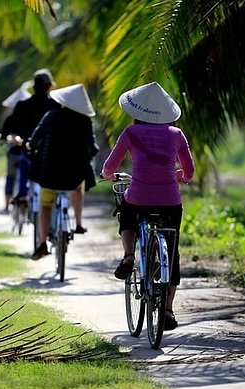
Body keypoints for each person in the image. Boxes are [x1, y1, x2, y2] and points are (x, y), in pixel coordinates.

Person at [101, 81, 195, 331]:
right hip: (170, 202)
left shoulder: (131, 134)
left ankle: (130, 255)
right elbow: (189, 172)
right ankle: (167, 310)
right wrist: (181, 177)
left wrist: (108, 174)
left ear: (137, 111)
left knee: (128, 214)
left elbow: (110, 167)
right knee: (172, 254)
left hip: (139, 197)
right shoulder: (176, 134)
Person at [28, 83, 99, 261]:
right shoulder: (85, 121)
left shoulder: (51, 116)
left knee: (45, 206)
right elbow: (92, 147)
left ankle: (42, 242)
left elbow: (35, 138)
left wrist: (31, 145)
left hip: (49, 174)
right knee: (77, 189)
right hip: (73, 176)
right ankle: (79, 224)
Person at [0, 69, 61, 206]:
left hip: (27, 150)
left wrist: (6, 136)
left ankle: (22, 194)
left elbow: (10, 124)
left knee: (23, 162)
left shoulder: (22, 106)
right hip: (50, 152)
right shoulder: (55, 106)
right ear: (49, 86)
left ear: (34, 87)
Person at [0, 83, 31, 214]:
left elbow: (3, 136)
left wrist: (4, 139)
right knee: (27, 177)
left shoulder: (10, 120)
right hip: (27, 153)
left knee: (10, 178)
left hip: (13, 154)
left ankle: (6, 206)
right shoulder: (30, 119)